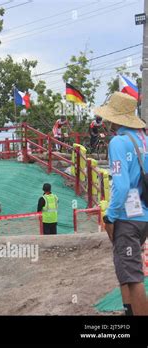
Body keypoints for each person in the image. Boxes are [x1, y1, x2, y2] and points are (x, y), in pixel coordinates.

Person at [95, 92, 148, 316]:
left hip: (126, 217)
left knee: (133, 277)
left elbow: (122, 186)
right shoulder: (143, 139)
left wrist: (110, 216)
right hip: (143, 214)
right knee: (125, 271)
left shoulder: (118, 142)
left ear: (114, 119)